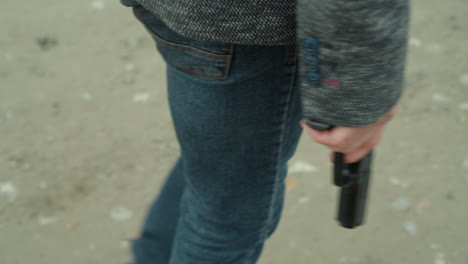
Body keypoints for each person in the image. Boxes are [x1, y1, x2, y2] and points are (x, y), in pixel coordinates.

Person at [120, 0, 410, 263]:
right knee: (225, 224)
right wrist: (363, 94)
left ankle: (151, 256)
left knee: (217, 172)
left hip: (185, 10)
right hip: (246, 29)